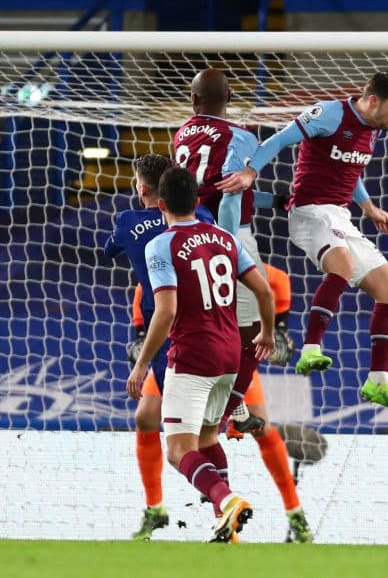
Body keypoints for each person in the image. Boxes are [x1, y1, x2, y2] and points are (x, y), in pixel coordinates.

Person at [217, 71, 388, 414]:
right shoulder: (330, 114)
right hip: (310, 211)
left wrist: (367, 206)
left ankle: (379, 381)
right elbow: (279, 140)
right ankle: (310, 348)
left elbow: (349, 170)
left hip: (339, 216)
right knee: (343, 265)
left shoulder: (371, 130)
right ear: (373, 100)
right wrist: (251, 172)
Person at [126, 166, 275, 543]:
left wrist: (143, 364)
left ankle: (228, 501)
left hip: (193, 356)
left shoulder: (160, 245)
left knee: (178, 451)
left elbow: (166, 311)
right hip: (230, 355)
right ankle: (224, 524)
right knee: (208, 441)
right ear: (197, 201)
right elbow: (264, 292)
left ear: (160, 204)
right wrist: (269, 333)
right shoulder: (225, 238)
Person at [131, 261, 313, 543]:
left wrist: (276, 335)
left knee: (259, 426)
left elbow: (277, 322)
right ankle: (156, 509)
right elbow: (143, 321)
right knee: (146, 415)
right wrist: (142, 345)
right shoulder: (160, 273)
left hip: (227, 355)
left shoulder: (267, 274)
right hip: (191, 355)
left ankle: (294, 511)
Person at [102, 153, 216, 540]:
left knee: (189, 434)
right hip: (211, 319)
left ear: (143, 189)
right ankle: (156, 509)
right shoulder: (204, 222)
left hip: (171, 329)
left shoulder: (128, 221)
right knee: (146, 418)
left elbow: (109, 250)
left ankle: (222, 496)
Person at [173, 68, 282, 437]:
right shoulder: (241, 136)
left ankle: (221, 406)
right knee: (252, 329)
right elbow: (232, 191)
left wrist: (275, 201)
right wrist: (228, 243)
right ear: (231, 98)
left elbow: (213, 187)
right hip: (228, 236)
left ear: (192, 100)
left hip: (189, 236)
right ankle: (231, 407)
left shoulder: (181, 134)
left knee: (209, 322)